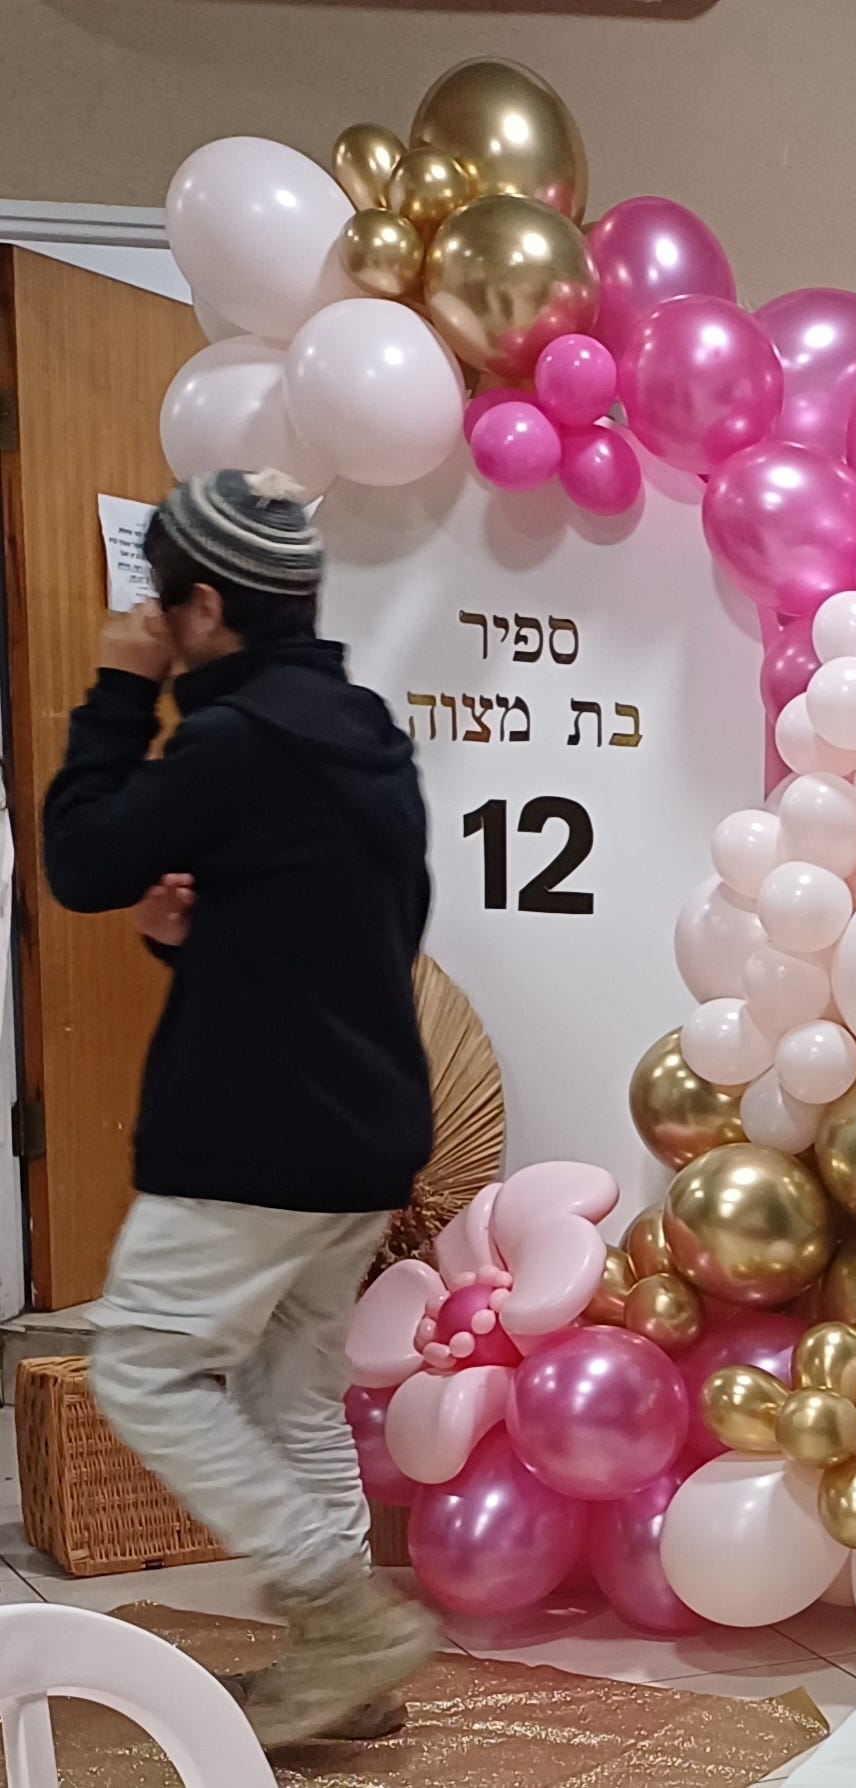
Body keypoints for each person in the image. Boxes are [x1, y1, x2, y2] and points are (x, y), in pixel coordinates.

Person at [43, 468, 436, 1748]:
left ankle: (337, 1614)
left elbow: (83, 857)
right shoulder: (366, 732)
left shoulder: (229, 741)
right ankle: (352, 1680)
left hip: (254, 1134)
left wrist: (117, 686)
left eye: (165, 608)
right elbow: (367, 934)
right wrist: (194, 943)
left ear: (202, 606)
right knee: (288, 1400)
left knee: (145, 1367)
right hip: (364, 1126)